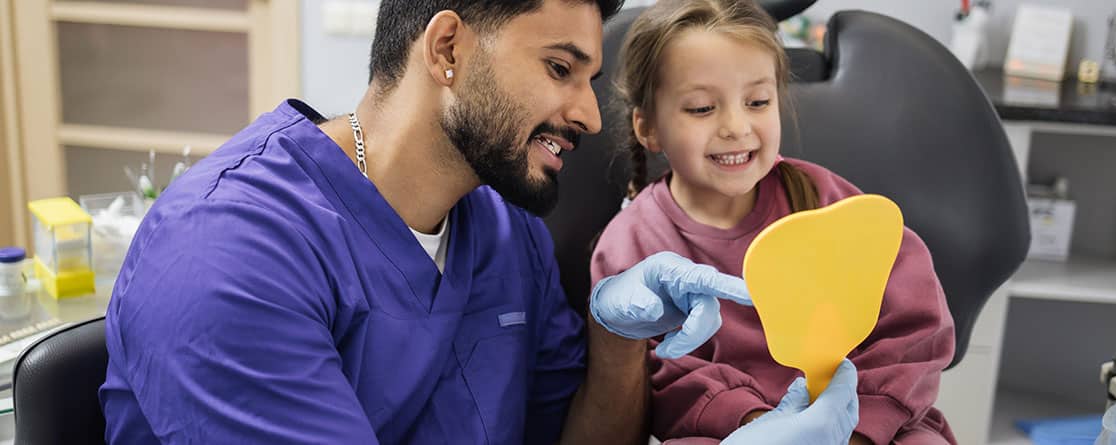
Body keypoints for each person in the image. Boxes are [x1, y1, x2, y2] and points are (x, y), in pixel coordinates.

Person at [99, 0, 859, 443]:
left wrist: (618, 341)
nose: (591, 115)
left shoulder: (503, 225)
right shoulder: (228, 256)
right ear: (447, 49)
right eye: (560, 69)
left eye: (591, 80)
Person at [590, 0, 958, 443]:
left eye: (758, 102)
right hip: (727, 432)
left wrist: (856, 430)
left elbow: (913, 330)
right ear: (648, 127)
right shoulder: (632, 245)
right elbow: (661, 374)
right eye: (702, 108)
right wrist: (755, 425)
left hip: (867, 422)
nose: (736, 126)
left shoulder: (828, 203)